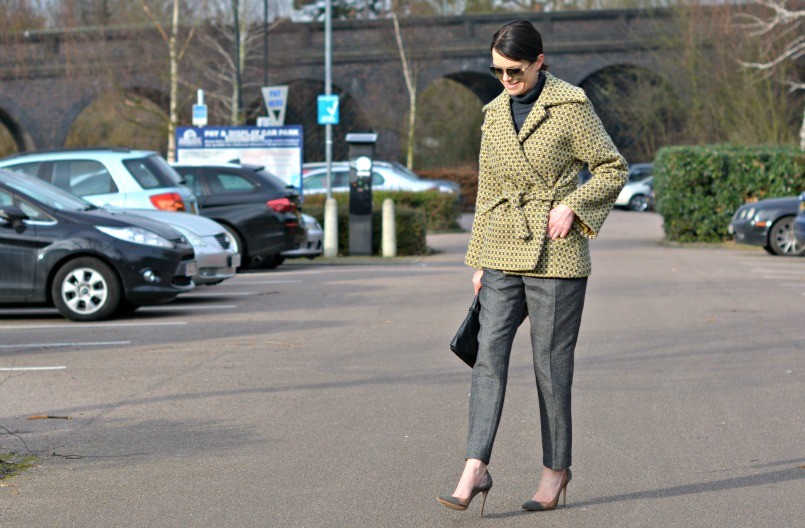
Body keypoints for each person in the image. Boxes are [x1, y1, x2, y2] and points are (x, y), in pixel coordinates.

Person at [437, 19, 627, 516]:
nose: (506, 79)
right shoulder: (494, 114)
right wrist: (477, 261)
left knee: (550, 367)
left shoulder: (570, 106)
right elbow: (487, 191)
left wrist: (575, 206)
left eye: (514, 70)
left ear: (540, 61)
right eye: (498, 71)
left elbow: (613, 167)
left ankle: (554, 470)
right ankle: (474, 468)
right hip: (501, 248)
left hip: (556, 253)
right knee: (487, 357)